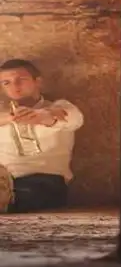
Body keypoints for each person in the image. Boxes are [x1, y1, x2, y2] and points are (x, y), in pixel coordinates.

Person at [0, 59, 83, 213]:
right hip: (6, 180)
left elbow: (74, 118)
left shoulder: (60, 106)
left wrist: (44, 116)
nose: (15, 86)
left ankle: (6, 200)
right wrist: (10, 117)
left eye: (21, 80)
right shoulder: (2, 113)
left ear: (38, 82)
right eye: (6, 83)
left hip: (47, 181)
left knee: (29, 193)